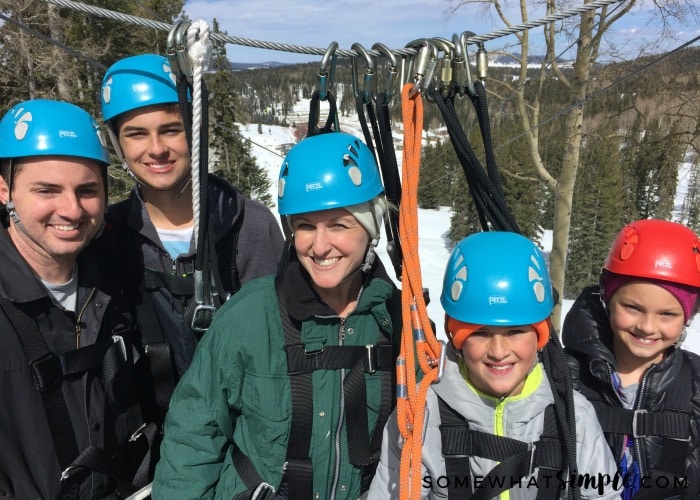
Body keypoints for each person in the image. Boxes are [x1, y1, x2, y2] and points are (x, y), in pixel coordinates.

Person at [151, 132, 401, 499]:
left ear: (369, 228)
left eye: (338, 225)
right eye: (305, 226)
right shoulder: (252, 315)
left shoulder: (394, 317)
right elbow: (194, 433)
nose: (319, 246)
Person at [98, 53, 284, 424]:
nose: (156, 149)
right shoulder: (107, 236)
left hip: (241, 437)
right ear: (117, 144)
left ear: (195, 132)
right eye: (136, 133)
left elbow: (280, 345)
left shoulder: (250, 228)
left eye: (170, 130)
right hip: (149, 443)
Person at [369, 231, 620, 499]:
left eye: (515, 332)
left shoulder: (572, 415)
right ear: (457, 337)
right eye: (480, 333)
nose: (499, 352)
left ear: (539, 335)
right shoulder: (422, 413)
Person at [0, 99, 145, 498]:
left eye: (87, 191)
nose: (71, 209)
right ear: (4, 189)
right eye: (47, 190)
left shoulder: (110, 288)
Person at [563, 219, 700, 500]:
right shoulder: (566, 375)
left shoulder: (694, 385)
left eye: (667, 314)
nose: (648, 327)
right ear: (607, 299)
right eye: (633, 307)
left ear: (687, 317)